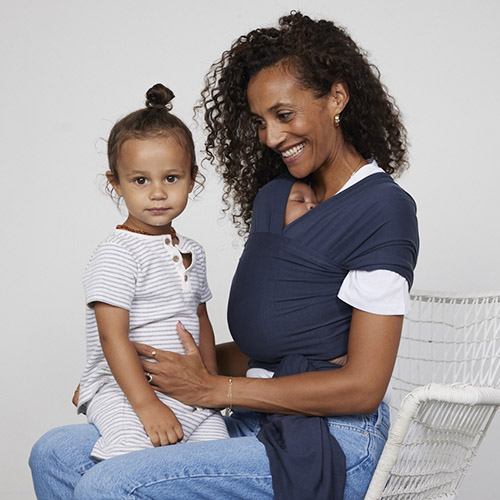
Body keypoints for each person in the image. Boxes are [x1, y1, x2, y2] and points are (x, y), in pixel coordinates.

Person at [29, 12, 418, 500]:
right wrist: (129, 374)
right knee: (53, 454)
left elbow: (362, 386)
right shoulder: (275, 197)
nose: (273, 138)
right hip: (255, 417)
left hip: (329, 436)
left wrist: (216, 391)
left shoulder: (381, 209)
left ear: (336, 97)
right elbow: (266, 347)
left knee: (111, 484)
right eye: (260, 122)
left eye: (284, 114)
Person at [75, 83, 229, 461]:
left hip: (186, 388)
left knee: (221, 459)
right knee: (131, 456)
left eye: (171, 178)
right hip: (123, 390)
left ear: (192, 178)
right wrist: (147, 406)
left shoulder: (193, 250)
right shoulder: (117, 252)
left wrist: (208, 383)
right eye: (140, 180)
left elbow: (200, 319)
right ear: (116, 183)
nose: (157, 193)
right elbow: (112, 337)